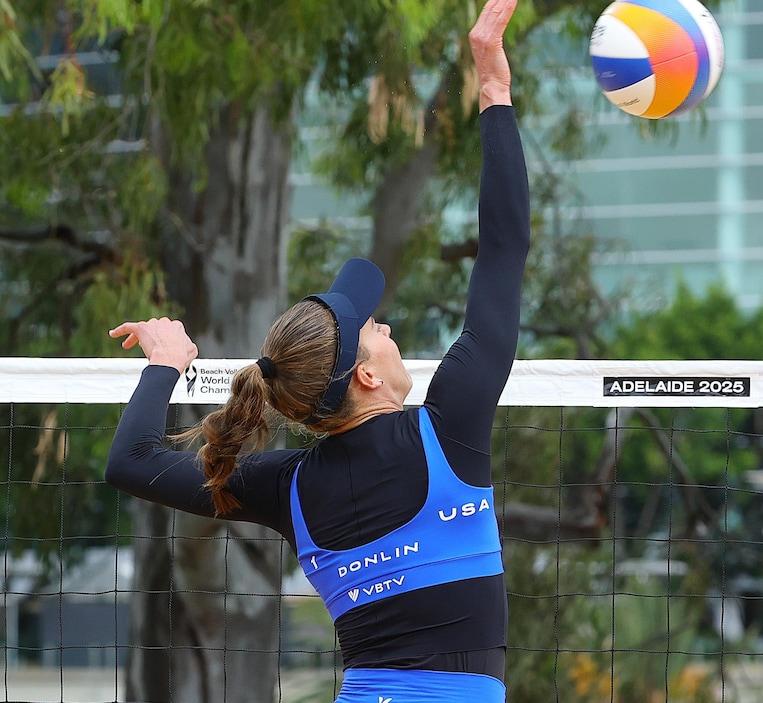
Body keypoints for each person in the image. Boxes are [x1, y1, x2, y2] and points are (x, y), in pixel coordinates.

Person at [104, 1, 527, 700]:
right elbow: (505, 247)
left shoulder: (288, 487)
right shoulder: (447, 429)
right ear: (365, 374)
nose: (385, 328)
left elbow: (129, 460)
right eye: (374, 328)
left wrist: (162, 364)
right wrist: (493, 88)